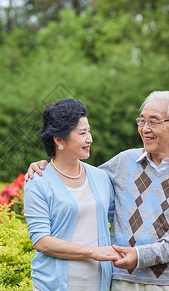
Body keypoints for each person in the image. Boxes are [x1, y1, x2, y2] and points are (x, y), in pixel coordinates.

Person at [25, 91, 169, 290]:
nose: (145, 129)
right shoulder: (124, 162)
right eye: (141, 121)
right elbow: (75, 183)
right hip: (123, 281)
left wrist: (142, 255)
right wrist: (44, 168)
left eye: (153, 122)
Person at [24, 98, 122, 291]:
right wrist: (93, 253)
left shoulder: (101, 177)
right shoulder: (38, 181)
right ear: (59, 140)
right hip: (54, 284)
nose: (90, 139)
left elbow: (121, 220)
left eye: (89, 131)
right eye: (82, 133)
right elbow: (42, 241)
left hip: (100, 283)